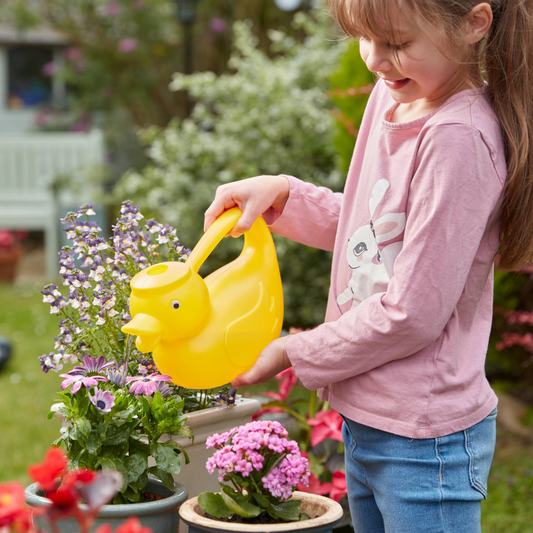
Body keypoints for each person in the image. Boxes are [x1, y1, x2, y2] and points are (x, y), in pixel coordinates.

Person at [203, 0, 533, 531]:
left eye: (398, 44)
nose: (375, 60)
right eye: (363, 38)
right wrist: (284, 195)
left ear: (474, 23)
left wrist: (295, 349)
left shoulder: (458, 139)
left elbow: (414, 312)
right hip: (366, 418)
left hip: (424, 442)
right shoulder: (394, 94)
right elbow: (374, 231)